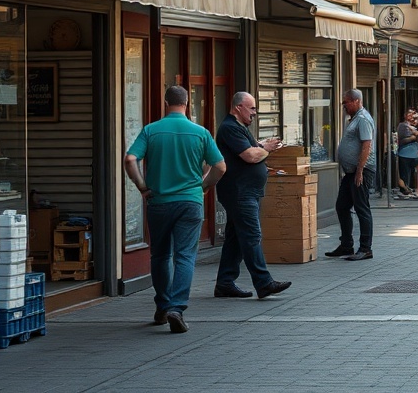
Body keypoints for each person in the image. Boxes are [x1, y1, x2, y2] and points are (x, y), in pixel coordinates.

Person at [125, 86, 225, 334]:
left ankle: (162, 305)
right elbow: (220, 167)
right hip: (190, 202)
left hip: (159, 202)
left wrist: (142, 187)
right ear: (187, 103)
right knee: (185, 256)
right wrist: (204, 187)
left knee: (160, 256)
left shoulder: (151, 130)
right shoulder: (200, 133)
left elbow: (130, 159)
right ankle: (176, 308)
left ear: (165, 102)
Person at [214, 91, 293, 301]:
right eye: (252, 108)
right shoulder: (230, 128)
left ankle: (225, 283)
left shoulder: (240, 127)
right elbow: (250, 155)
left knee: (235, 238)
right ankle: (263, 282)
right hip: (240, 193)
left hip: (246, 191)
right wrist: (266, 148)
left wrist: (261, 148)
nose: (255, 113)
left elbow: (252, 151)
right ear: (238, 107)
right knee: (251, 236)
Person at [326, 89, 376, 260]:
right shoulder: (355, 119)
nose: (344, 106)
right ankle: (346, 245)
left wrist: (360, 170)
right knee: (342, 206)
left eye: (346, 102)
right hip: (351, 172)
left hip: (360, 171)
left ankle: (365, 248)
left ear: (356, 101)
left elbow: (367, 145)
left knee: (362, 208)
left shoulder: (363, 119)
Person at [393, 108, 418, 199]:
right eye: (410, 114)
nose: (412, 116)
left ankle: (410, 188)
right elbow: (402, 140)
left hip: (414, 153)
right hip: (405, 153)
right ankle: (404, 190)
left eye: (414, 114)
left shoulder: (416, 126)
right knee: (405, 173)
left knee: (412, 172)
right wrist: (414, 137)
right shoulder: (403, 126)